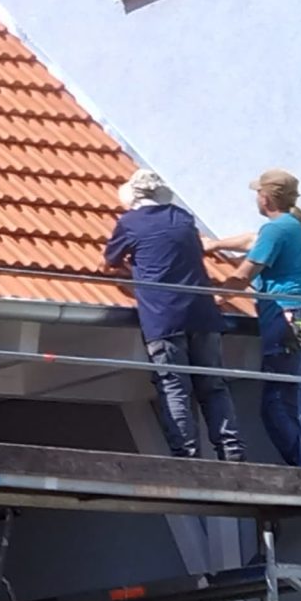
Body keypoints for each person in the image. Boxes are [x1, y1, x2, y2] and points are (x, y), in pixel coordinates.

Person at [103, 168, 242, 461]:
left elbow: (110, 263)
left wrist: (134, 274)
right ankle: (231, 452)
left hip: (164, 316)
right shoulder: (183, 218)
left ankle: (187, 457)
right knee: (213, 385)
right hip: (203, 313)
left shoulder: (130, 223)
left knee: (174, 386)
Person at [207, 167, 301, 468]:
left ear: (266, 198)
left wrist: (214, 299)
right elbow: (252, 240)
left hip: (288, 320)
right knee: (293, 395)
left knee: (279, 402)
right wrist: (215, 244)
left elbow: (244, 275)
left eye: (258, 193)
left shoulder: (276, 229)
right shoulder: (291, 226)